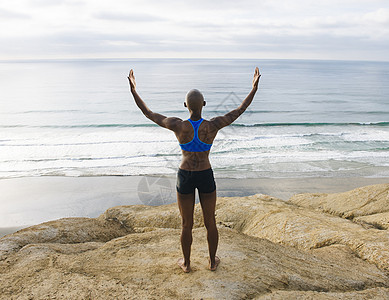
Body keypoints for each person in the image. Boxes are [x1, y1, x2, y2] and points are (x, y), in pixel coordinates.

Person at [128, 67, 260, 272]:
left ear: (185, 105)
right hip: (205, 174)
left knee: (186, 223)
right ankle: (211, 261)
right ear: (204, 105)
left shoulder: (178, 125)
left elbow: (149, 113)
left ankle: (187, 264)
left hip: (185, 176)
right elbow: (239, 110)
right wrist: (253, 88)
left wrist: (134, 91)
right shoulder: (213, 125)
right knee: (210, 221)